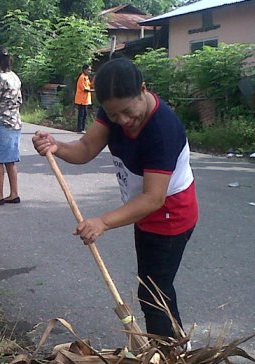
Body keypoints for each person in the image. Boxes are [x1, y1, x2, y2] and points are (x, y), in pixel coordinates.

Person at [32, 58, 199, 338]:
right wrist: (56, 146)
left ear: (143, 89)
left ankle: (171, 356)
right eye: (113, 115)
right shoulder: (113, 112)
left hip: (170, 215)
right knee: (153, 286)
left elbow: (153, 198)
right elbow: (86, 148)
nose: (122, 121)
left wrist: (103, 222)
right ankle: (172, 351)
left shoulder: (162, 129)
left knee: (153, 292)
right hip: (143, 212)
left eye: (127, 112)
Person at [0, 46, 22, 205]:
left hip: (2, 121)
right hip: (15, 121)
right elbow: (20, 100)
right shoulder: (14, 76)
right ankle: (14, 193)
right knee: (10, 160)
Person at [74, 64, 94, 134]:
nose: (89, 71)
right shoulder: (82, 77)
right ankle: (79, 129)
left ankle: (82, 128)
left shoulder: (86, 77)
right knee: (81, 114)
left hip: (85, 100)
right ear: (84, 70)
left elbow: (89, 85)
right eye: (88, 69)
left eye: (90, 70)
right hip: (81, 99)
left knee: (84, 114)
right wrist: (93, 90)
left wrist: (94, 81)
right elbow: (84, 89)